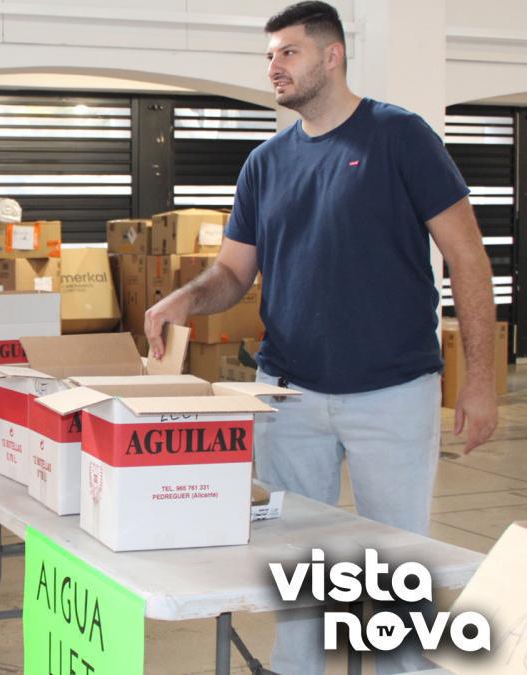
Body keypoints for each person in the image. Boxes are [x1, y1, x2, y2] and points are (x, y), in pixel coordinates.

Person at [144, 2, 499, 673]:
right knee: (296, 571)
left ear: (332, 56)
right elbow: (232, 273)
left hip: (392, 394)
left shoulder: (400, 137)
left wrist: (480, 383)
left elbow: (469, 257)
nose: (274, 66)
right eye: (270, 55)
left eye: (288, 52)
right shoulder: (265, 163)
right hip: (289, 395)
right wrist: (185, 299)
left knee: (395, 574)